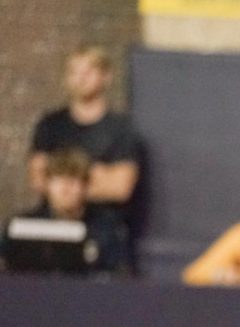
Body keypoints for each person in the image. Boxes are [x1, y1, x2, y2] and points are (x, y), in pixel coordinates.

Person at [27, 46, 138, 241]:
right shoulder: (50, 125)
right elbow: (38, 179)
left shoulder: (120, 129)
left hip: (103, 231)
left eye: (88, 72)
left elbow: (120, 187)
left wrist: (62, 180)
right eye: (74, 72)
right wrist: (96, 175)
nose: (81, 78)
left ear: (106, 76)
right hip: (51, 228)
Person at [2, 148, 127, 275]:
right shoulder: (20, 227)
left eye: (73, 180)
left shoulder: (106, 230)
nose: (65, 188)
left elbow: (117, 276)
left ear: (85, 186)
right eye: (58, 179)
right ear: (47, 184)